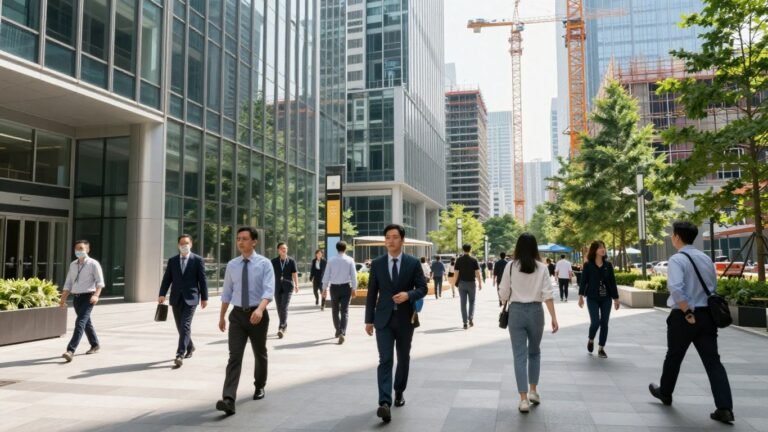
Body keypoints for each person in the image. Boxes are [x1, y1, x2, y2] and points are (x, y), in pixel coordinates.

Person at [649, 221, 734, 424]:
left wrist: (687, 312)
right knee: (713, 362)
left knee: (674, 356)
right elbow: (712, 286)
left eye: (672, 234)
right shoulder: (705, 258)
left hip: (685, 315)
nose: (671, 237)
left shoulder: (678, 260)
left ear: (677, 237)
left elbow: (676, 288)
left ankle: (666, 393)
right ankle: (725, 408)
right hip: (708, 316)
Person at [365, 224, 428, 423]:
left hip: (404, 320)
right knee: (385, 359)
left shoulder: (412, 263)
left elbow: (423, 288)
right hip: (383, 319)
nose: (390, 241)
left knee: (403, 358)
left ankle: (399, 391)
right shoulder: (377, 263)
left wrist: (408, 295)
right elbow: (371, 293)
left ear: (402, 240)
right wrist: (369, 319)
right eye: (387, 237)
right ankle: (384, 402)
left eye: (394, 237)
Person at [215, 227, 274, 416]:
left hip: (258, 315)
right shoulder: (232, 265)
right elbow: (227, 292)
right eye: (238, 238)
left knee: (259, 353)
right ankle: (228, 399)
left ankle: (259, 385)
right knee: (234, 356)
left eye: (245, 239)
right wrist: (222, 316)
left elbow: (268, 290)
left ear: (254, 242)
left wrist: (260, 309)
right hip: (237, 316)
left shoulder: (264, 264)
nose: (240, 242)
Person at [498, 233, 559, 413]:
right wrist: (554, 318)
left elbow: (503, 293)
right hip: (536, 312)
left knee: (519, 356)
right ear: (535, 248)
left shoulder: (510, 266)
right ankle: (533, 390)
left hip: (516, 312)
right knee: (534, 352)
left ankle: (523, 399)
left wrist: (506, 298)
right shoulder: (542, 267)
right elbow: (548, 294)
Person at [158, 234, 209, 367]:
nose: (184, 246)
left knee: (185, 325)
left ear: (191, 244)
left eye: (186, 243)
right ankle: (190, 346)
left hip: (191, 298)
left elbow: (202, 280)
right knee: (180, 326)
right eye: (181, 244)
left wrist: (205, 297)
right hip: (176, 298)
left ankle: (179, 354)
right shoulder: (173, 260)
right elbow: (167, 279)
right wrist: (162, 293)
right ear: (178, 245)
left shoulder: (197, 260)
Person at [59, 240, 105, 362]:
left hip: (88, 298)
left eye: (81, 248)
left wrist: (96, 295)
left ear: (87, 250)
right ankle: (95, 344)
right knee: (86, 323)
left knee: (80, 323)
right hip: (76, 298)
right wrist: (63, 299)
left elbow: (100, 282)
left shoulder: (93, 264)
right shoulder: (73, 264)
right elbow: (68, 282)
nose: (78, 251)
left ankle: (70, 350)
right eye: (76, 249)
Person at [577, 240, 620, 358]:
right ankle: (591, 339)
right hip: (592, 298)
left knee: (605, 323)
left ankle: (601, 348)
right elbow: (583, 281)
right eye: (600, 247)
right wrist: (580, 297)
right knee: (595, 322)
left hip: (606, 298)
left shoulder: (608, 265)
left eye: (604, 247)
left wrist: (616, 298)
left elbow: (612, 282)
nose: (603, 249)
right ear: (594, 250)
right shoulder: (588, 265)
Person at [322, 241, 357, 344]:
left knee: (335, 310)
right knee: (345, 311)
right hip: (346, 287)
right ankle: (342, 332)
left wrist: (324, 289)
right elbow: (354, 276)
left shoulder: (331, 260)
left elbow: (326, 275)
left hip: (334, 288)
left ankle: (338, 330)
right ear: (345, 249)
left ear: (336, 249)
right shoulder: (350, 260)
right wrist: (354, 289)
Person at [452, 244, 483, 329]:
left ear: (463, 250)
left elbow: (456, 273)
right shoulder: (474, 260)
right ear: (470, 249)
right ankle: (470, 318)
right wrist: (480, 283)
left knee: (463, 303)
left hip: (462, 283)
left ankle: (465, 322)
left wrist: (455, 283)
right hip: (471, 283)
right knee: (472, 302)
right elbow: (477, 273)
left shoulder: (458, 260)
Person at [271, 243, 299, 338]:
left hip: (288, 286)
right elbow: (269, 274)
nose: (284, 250)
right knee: (279, 307)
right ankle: (284, 324)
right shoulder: (274, 261)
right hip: (277, 286)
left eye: (285, 248)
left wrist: (296, 285)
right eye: (282, 248)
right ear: (278, 250)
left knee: (284, 306)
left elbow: (294, 273)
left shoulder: (291, 261)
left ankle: (281, 327)